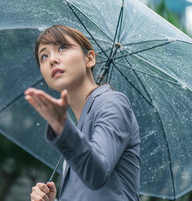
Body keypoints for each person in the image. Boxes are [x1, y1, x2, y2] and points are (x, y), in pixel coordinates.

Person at [24, 25, 141, 201]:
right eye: (44, 56)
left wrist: (63, 128)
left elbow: (96, 174)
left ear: (90, 59)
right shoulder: (79, 127)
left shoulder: (112, 103)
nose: (52, 60)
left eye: (62, 47)